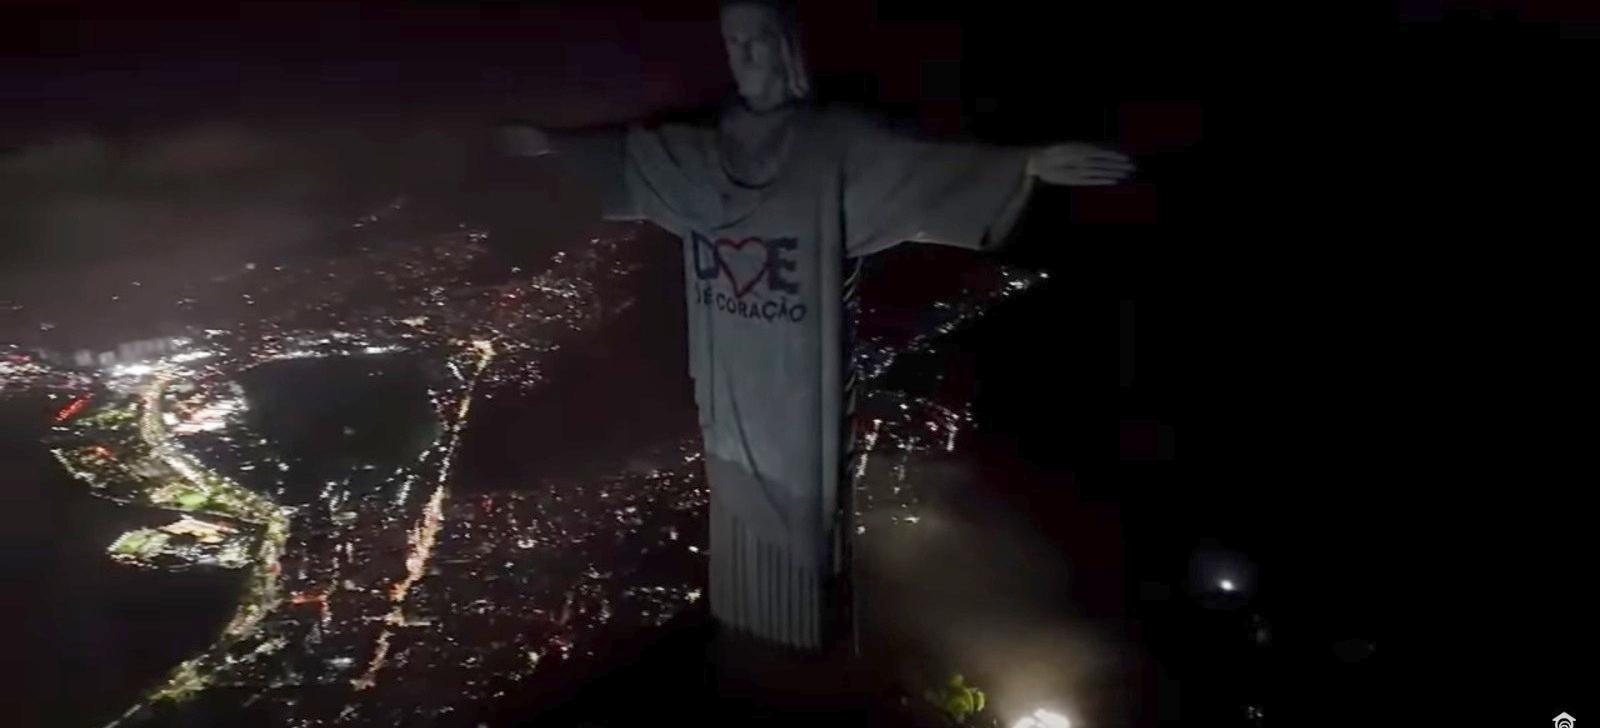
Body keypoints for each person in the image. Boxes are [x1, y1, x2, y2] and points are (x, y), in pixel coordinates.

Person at [500, 0, 1135, 652]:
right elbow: (631, 160)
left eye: (756, 40)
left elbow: (924, 167)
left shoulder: (835, 144)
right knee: (736, 497)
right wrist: (553, 145)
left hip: (798, 364)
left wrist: (1027, 164)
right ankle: (753, 638)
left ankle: (807, 640)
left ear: (786, 48)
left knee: (803, 510)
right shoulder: (703, 151)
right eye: (733, 42)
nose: (745, 55)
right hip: (727, 360)